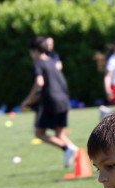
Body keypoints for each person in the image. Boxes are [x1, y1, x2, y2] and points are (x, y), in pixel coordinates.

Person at [23, 36, 79, 169]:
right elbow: (61, 83)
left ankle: (67, 148)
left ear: (35, 51)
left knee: (39, 133)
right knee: (59, 133)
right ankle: (79, 154)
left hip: (51, 102)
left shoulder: (38, 64)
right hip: (64, 100)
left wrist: (28, 99)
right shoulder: (52, 62)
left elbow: (39, 82)